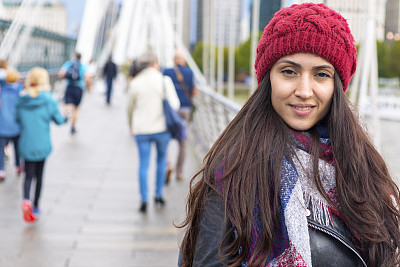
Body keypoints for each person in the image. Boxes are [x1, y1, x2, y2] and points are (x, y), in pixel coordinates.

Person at [178, 3, 400, 267]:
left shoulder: (363, 168)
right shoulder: (233, 174)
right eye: (289, 71)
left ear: (336, 86)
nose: (304, 90)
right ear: (268, 78)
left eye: (321, 74)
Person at [127, 52, 180, 213]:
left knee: (143, 163)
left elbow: (130, 108)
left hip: (141, 129)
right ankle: (158, 194)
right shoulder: (164, 81)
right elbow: (175, 105)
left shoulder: (135, 83)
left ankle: (144, 199)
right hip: (162, 129)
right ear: (155, 64)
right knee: (161, 160)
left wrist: (131, 124)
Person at [16, 67, 67, 223]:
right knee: (39, 176)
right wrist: (67, 117)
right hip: (42, 143)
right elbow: (58, 120)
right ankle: (36, 206)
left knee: (28, 175)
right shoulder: (49, 99)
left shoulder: (22, 99)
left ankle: (26, 200)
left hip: (26, 142)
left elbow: (16, 119)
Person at [163, 49, 197, 182]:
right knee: (183, 142)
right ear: (183, 60)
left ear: (173, 60)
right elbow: (194, 91)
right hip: (185, 110)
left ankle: (167, 164)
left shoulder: (166, 72)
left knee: (166, 138)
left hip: (170, 110)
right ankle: (179, 171)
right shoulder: (190, 73)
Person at [0, 68, 24, 181]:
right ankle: (18, 166)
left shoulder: (2, 92)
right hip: (16, 125)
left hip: (2, 125)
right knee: (17, 148)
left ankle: (1, 170)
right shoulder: (19, 93)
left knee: (1, 149)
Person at [58, 52, 88, 134]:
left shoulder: (69, 63)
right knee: (76, 109)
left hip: (70, 87)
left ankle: (67, 113)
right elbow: (87, 77)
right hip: (79, 88)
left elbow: (61, 73)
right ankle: (73, 126)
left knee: (68, 104)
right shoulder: (82, 66)